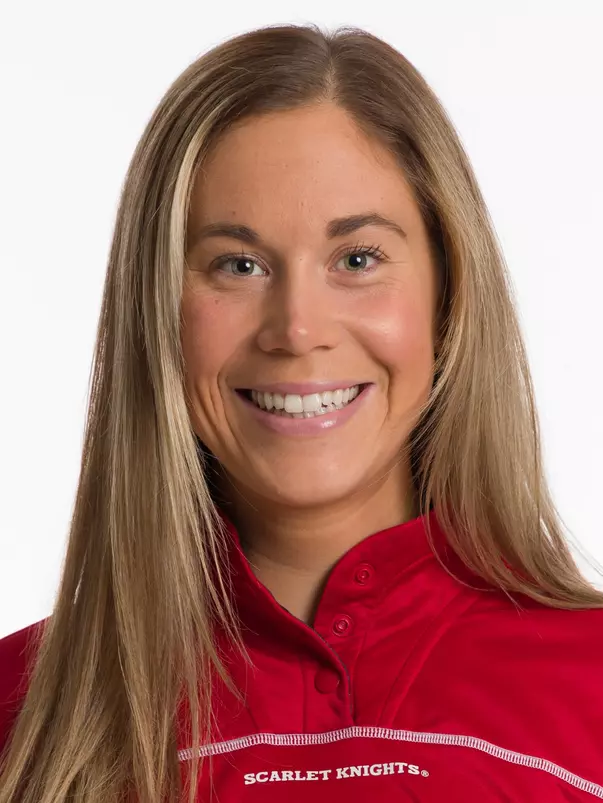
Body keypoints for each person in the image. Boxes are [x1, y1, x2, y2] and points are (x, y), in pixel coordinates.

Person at [1, 22, 602, 803]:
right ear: (159, 311)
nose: (295, 329)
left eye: (356, 259)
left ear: (448, 294)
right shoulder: (23, 713)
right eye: (237, 264)